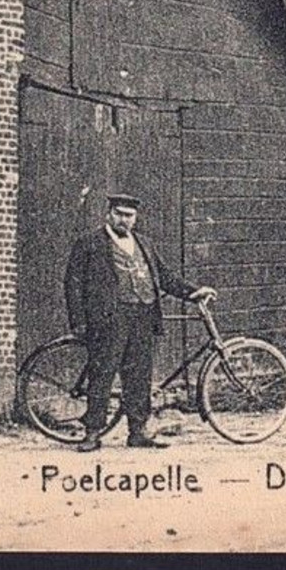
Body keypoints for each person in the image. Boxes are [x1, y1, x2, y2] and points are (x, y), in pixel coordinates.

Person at [65, 193, 216, 451]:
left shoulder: (144, 244)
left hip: (142, 316)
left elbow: (165, 278)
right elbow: (73, 284)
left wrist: (193, 292)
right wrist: (79, 322)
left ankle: (138, 432)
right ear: (108, 215)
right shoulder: (89, 243)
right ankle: (92, 433)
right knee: (102, 375)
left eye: (129, 215)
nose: (124, 220)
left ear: (135, 218)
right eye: (119, 214)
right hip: (109, 319)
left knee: (139, 377)